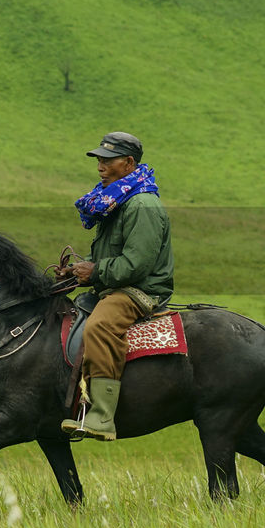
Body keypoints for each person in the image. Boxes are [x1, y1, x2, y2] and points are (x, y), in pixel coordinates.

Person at [58, 132, 174, 441]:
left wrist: (95, 271)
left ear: (129, 163)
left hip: (139, 289)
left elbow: (137, 265)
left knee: (99, 326)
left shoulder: (141, 205)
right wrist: (76, 270)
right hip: (114, 283)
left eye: (107, 160)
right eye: (99, 159)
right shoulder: (117, 200)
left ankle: (102, 416)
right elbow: (111, 258)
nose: (100, 166)